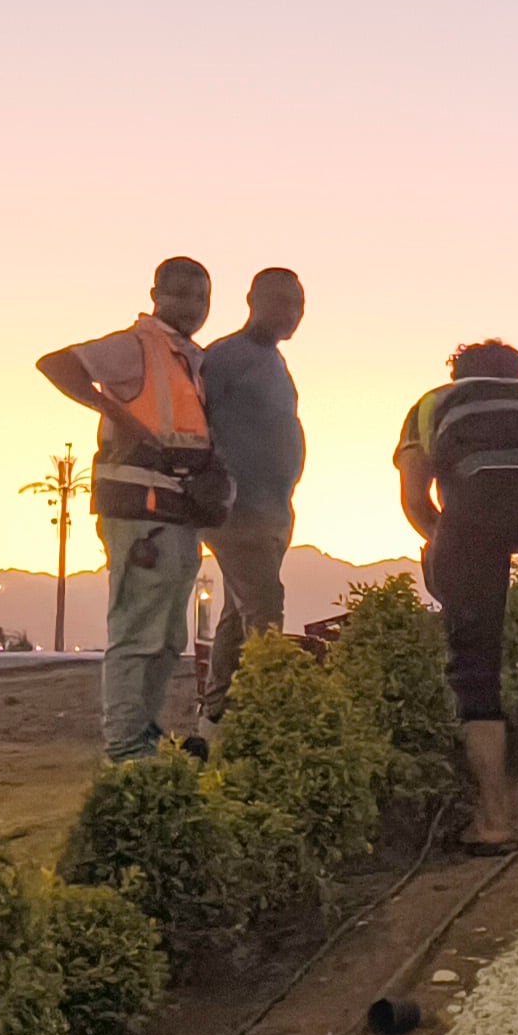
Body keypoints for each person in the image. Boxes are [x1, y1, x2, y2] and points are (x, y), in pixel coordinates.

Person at [396, 339, 518, 848]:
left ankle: (494, 822)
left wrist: (442, 539)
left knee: (475, 663)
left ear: (457, 373)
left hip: (474, 515)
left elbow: (415, 494)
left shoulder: (432, 404)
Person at [33, 256, 231, 760]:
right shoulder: (136, 347)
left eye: (201, 298)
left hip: (176, 513)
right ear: (155, 295)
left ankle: (143, 739)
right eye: (181, 295)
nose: (192, 307)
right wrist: (110, 411)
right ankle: (124, 748)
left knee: (167, 637)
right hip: (139, 513)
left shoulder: (189, 359)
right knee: (136, 634)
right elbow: (57, 364)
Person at [197, 265, 308, 722]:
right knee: (264, 608)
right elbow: (194, 418)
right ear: (251, 300)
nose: (291, 313)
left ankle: (215, 716)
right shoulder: (224, 357)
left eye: (298, 304)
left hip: (272, 509)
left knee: (235, 614)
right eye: (281, 301)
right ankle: (270, 712)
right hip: (237, 509)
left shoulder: (274, 362)